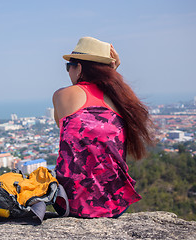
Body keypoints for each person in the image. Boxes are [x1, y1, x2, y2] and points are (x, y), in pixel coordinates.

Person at [52, 37, 154, 218]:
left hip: (70, 204)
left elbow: (63, 124)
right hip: (115, 204)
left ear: (80, 68)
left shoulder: (62, 96)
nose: (69, 71)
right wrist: (112, 72)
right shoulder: (122, 100)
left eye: (69, 66)